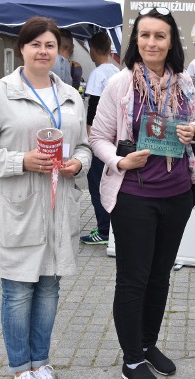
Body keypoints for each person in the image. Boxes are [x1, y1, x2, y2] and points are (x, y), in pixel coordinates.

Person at [0, 16, 91, 379]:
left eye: (50, 45)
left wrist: (77, 164)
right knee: (18, 290)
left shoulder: (69, 96)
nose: (43, 51)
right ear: (22, 48)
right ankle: (20, 368)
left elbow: (83, 146)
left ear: (59, 52)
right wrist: (20, 160)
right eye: (35, 44)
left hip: (58, 205)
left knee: (49, 287)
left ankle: (42, 362)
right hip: (17, 208)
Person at [90, 7, 195, 379]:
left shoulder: (183, 82)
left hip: (177, 195)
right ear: (135, 41)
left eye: (160, 36)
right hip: (134, 198)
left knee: (160, 275)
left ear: (171, 41)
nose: (152, 42)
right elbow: (96, 138)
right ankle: (131, 359)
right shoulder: (120, 84)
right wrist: (120, 162)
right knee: (133, 278)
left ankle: (147, 343)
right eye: (145, 35)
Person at [80, 31, 119, 245]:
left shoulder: (98, 74)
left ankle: (103, 230)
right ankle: (110, 227)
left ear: (93, 50)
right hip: (115, 139)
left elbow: (93, 107)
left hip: (100, 139)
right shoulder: (116, 70)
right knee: (111, 183)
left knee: (96, 184)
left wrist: (89, 137)